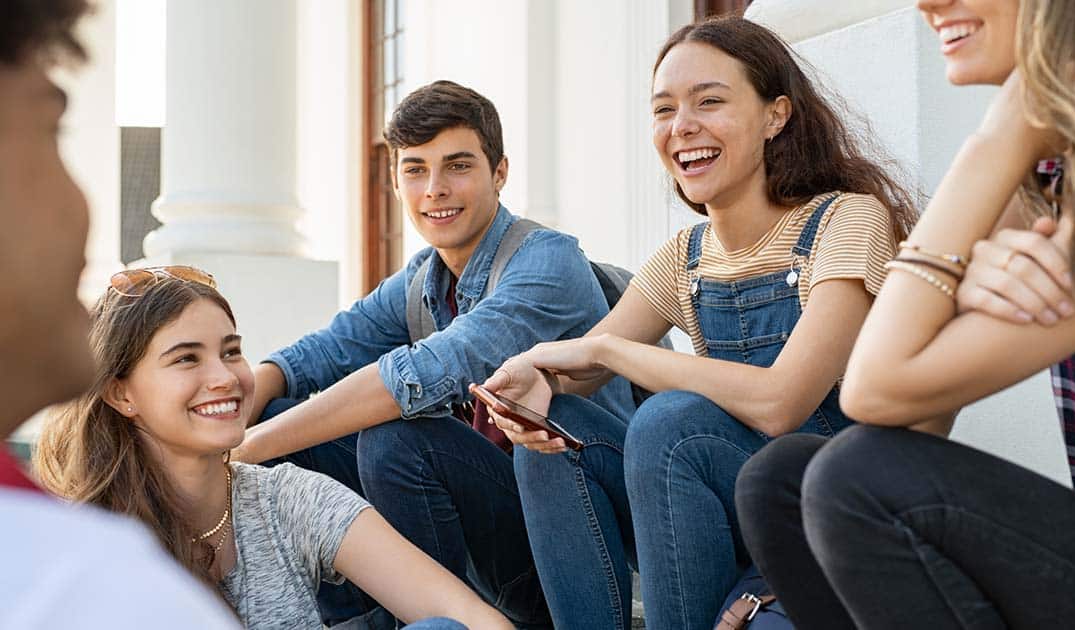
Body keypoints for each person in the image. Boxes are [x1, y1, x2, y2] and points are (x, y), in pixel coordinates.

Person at [478, 16, 920, 630]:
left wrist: (609, 350)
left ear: (776, 115)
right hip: (714, 516)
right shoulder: (685, 257)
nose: (682, 127)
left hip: (822, 514)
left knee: (672, 423)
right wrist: (539, 385)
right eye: (664, 109)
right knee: (555, 439)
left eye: (709, 101)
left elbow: (780, 404)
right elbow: (581, 367)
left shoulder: (845, 222)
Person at [735, 0, 1075, 628]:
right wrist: (963, 286)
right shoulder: (1057, 177)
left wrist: (1001, 134)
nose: (928, 3)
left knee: (854, 478)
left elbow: (874, 389)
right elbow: (916, 420)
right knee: (779, 481)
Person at [233, 80, 634, 627]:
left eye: (458, 166)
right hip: (478, 522)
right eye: (415, 169)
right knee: (285, 425)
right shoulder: (424, 277)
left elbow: (411, 378)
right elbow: (313, 357)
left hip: (564, 542)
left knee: (396, 440)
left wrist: (241, 452)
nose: (435, 189)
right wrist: (230, 429)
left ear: (499, 173)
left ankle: (422, 618)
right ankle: (350, 613)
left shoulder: (547, 262)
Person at [34, 268, 512, 630]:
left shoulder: (283, 499)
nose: (223, 378)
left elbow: (470, 617)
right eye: (186, 359)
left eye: (230, 351)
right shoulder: (87, 538)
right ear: (122, 394)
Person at [0, 0, 242, 626]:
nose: (83, 205)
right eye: (52, 132)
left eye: (231, 350)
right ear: (120, 393)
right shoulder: (82, 589)